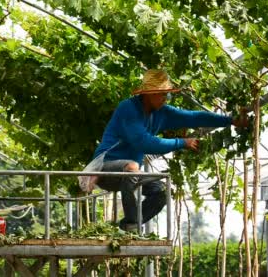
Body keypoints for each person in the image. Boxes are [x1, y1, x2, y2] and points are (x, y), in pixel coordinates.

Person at [93, 69, 247, 232]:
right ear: (148, 94)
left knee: (161, 191)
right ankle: (132, 224)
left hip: (131, 175)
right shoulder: (128, 109)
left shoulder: (161, 113)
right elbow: (144, 143)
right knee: (132, 167)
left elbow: (193, 117)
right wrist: (181, 142)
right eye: (162, 94)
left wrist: (230, 120)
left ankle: (129, 225)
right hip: (105, 169)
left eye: (167, 94)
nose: (165, 98)